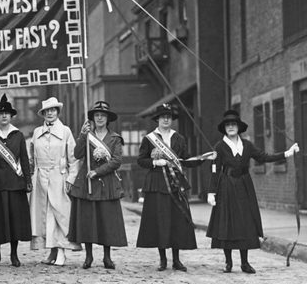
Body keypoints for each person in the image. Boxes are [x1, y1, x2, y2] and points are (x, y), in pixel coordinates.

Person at [206, 110, 300, 273]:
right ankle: (228, 262)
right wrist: (211, 192)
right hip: (226, 187)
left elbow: (264, 157)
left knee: (245, 223)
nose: (231, 127)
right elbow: (215, 169)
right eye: (228, 125)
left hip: (244, 186)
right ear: (224, 128)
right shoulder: (219, 147)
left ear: (239, 128)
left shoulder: (247, 145)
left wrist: (287, 153)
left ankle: (245, 263)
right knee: (227, 223)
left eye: (233, 124)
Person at [135, 103, 213, 271]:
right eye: (163, 116)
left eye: (169, 117)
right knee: (160, 221)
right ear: (157, 119)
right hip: (157, 184)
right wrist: (155, 162)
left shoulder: (179, 138)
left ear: (172, 120)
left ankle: (176, 260)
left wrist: (203, 158)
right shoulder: (149, 138)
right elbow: (141, 160)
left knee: (176, 221)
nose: (166, 119)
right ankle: (163, 260)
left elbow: (185, 159)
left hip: (175, 184)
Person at [68, 101, 127, 269]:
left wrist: (98, 171)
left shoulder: (115, 138)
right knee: (88, 219)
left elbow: (116, 160)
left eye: (103, 115)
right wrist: (81, 135)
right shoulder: (87, 135)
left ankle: (107, 257)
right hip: (87, 182)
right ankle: (88, 257)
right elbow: (77, 154)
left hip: (106, 183)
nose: (100, 118)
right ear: (93, 118)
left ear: (107, 119)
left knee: (106, 221)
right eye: (97, 115)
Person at [0, 94, 32, 267]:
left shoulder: (18, 135)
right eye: (1, 113)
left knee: (14, 219)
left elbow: (24, 158)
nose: (4, 116)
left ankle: (14, 254)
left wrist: (28, 179)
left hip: (14, 183)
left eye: (7, 113)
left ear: (11, 116)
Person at [29, 97, 80, 266]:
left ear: (58, 112)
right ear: (43, 114)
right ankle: (51, 251)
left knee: (59, 214)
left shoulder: (65, 131)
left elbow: (74, 158)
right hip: (41, 178)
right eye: (47, 111)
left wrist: (71, 179)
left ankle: (61, 251)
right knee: (44, 215)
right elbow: (32, 157)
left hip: (59, 176)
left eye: (53, 110)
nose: (50, 113)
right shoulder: (36, 132)